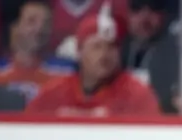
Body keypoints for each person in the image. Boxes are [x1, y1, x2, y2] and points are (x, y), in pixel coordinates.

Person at [26, 4, 159, 116]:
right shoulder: (54, 92)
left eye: (112, 46)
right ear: (80, 51)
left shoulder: (136, 94)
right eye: (97, 47)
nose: (105, 54)